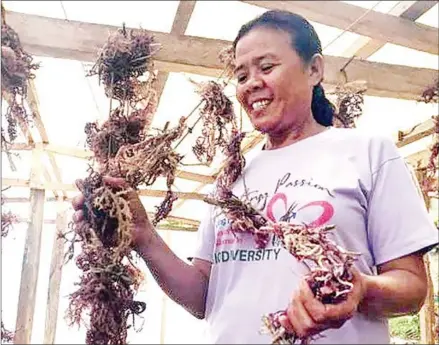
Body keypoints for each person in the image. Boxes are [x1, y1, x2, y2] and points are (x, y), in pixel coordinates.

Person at [71, 10, 438, 344]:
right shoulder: (232, 176)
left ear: (314, 70)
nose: (251, 84)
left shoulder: (368, 152)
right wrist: (144, 237)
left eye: (266, 67)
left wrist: (359, 289)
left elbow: (411, 287)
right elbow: (204, 297)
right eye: (242, 75)